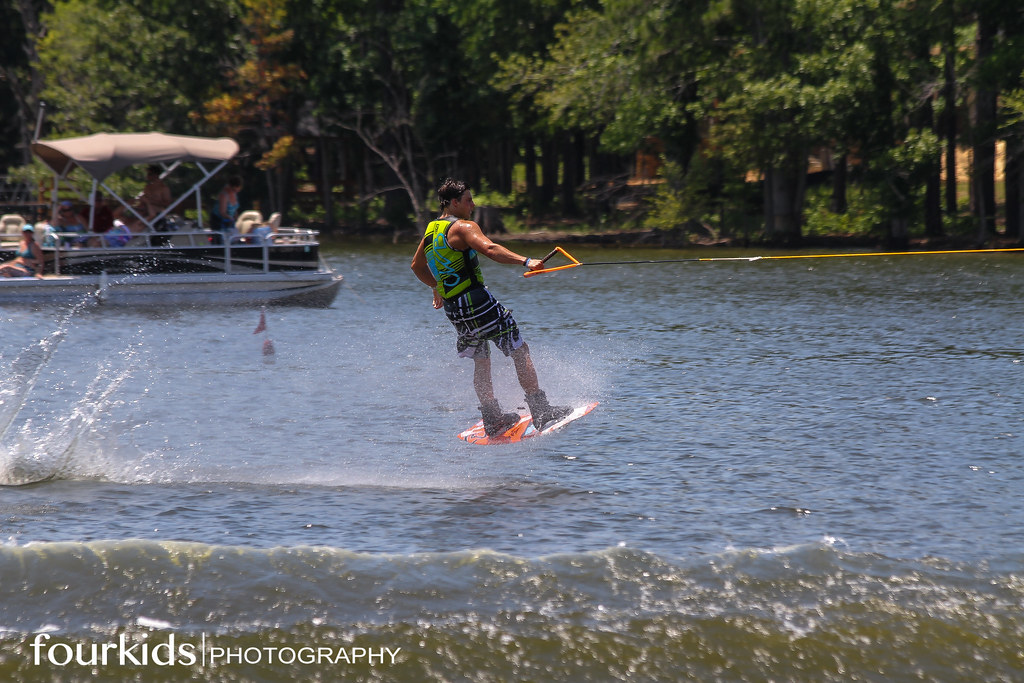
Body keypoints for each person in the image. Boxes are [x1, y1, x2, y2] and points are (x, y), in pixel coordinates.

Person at [411, 178, 571, 436]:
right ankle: (541, 410)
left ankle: (492, 418)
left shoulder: (431, 231)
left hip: (454, 309)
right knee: (519, 349)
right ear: (454, 203)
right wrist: (526, 260)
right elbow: (490, 248)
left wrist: (437, 287)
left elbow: (416, 267)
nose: (473, 205)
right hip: (476, 301)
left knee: (481, 360)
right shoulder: (463, 227)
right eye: (468, 200)